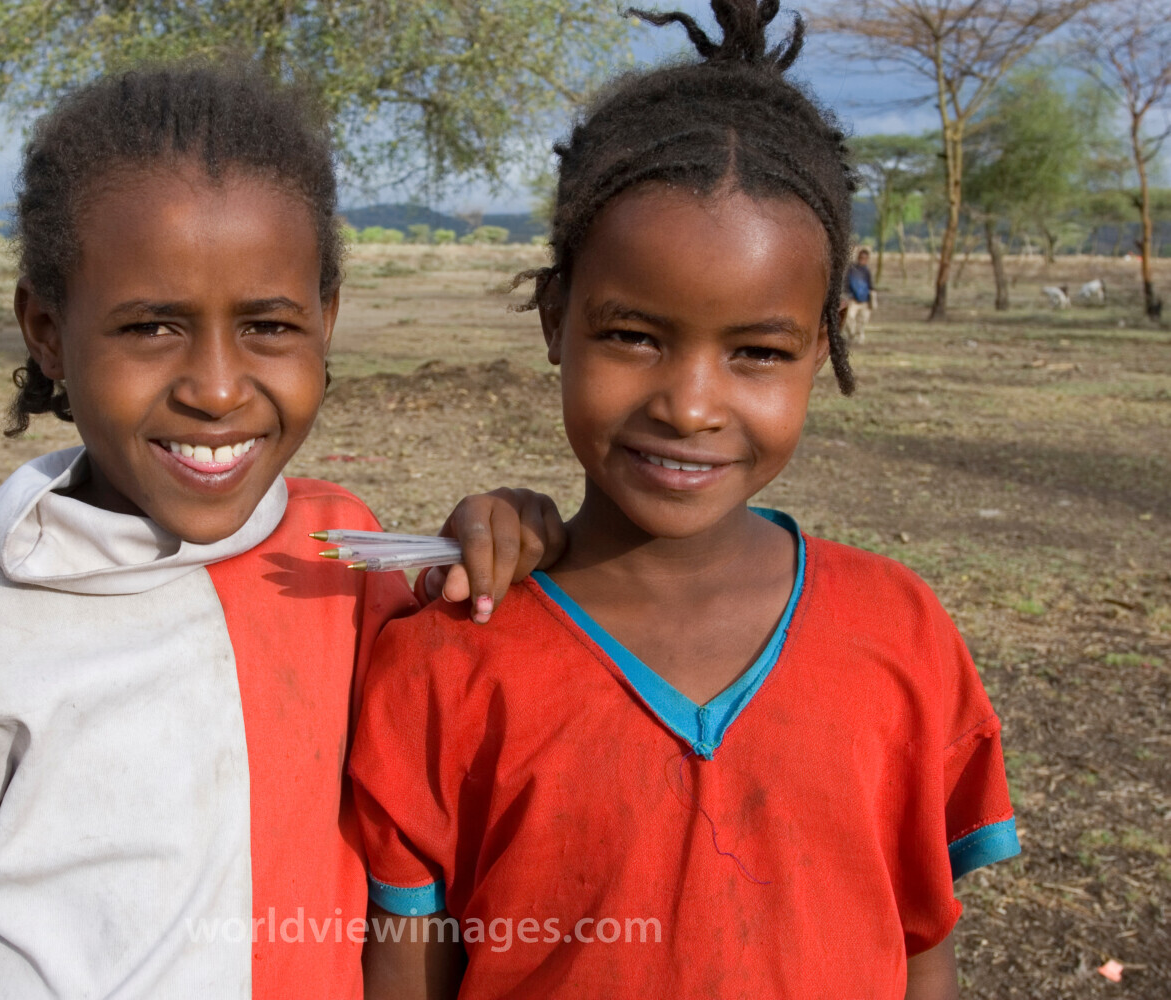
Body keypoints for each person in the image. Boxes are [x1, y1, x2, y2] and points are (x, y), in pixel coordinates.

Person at [0, 63, 563, 1000]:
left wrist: (497, 538)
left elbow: (450, 697)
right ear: (48, 332)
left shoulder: (345, 553)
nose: (217, 388)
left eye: (267, 325)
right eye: (151, 328)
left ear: (326, 325)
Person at [350, 4, 1018, 999]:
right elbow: (408, 972)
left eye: (756, 351)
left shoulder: (901, 634)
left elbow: (918, 939)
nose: (691, 404)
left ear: (823, 346)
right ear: (554, 320)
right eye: (633, 336)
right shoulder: (445, 657)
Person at [843, 246, 877, 345]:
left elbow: (870, 285)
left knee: (862, 320)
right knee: (848, 317)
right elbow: (846, 283)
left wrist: (872, 297)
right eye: (861, 257)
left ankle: (859, 337)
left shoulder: (867, 271)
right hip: (853, 299)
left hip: (865, 300)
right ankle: (852, 334)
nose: (863, 260)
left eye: (865, 258)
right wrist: (849, 295)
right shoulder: (852, 269)